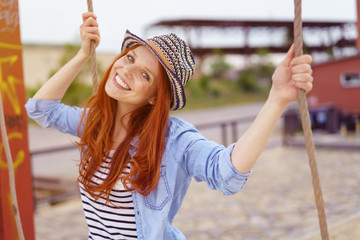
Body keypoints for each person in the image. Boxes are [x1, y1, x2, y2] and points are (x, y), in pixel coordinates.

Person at [25, 12, 313, 240]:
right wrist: (81, 56)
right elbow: (40, 109)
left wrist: (276, 98)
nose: (125, 70)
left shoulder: (173, 139)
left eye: (145, 76)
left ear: (154, 99)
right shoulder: (94, 121)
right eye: (129, 57)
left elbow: (227, 173)